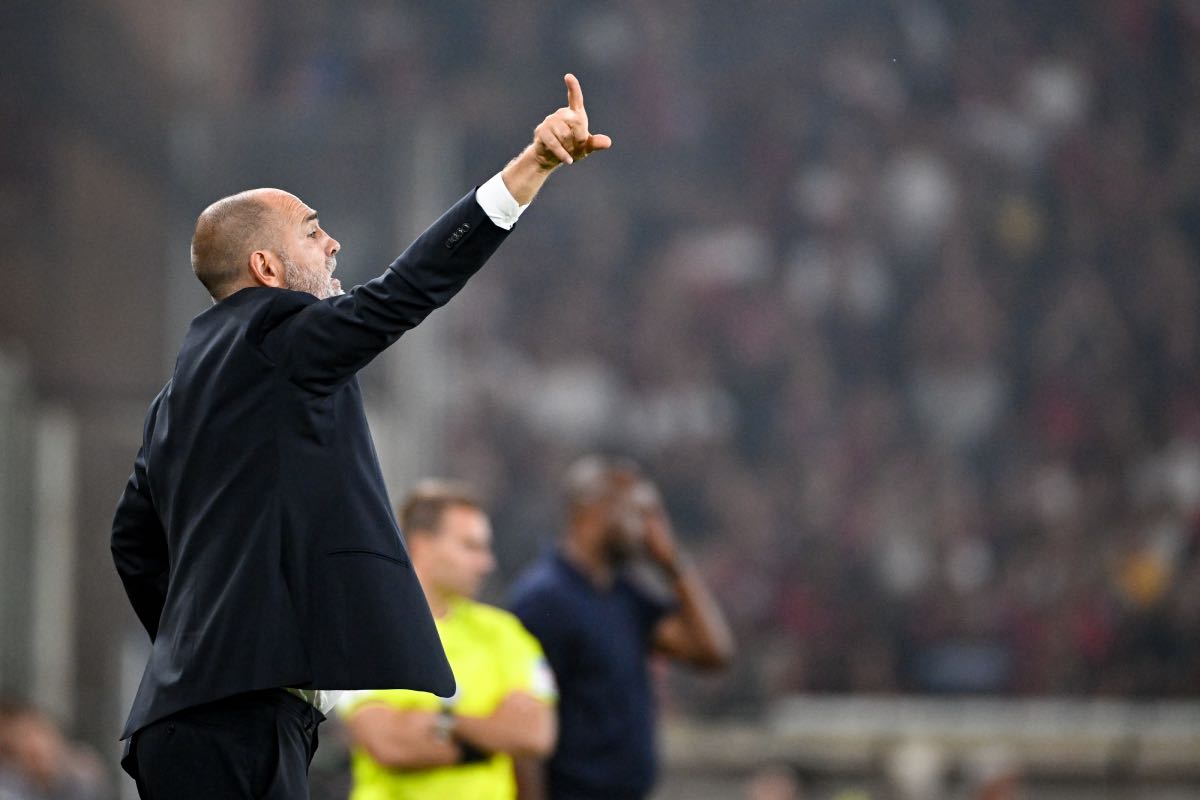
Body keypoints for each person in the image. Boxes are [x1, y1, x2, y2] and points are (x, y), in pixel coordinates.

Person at [109, 74, 609, 800]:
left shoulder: (177, 396)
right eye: (313, 231)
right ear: (265, 268)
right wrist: (528, 169)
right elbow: (405, 291)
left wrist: (200, 643)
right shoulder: (276, 334)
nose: (333, 242)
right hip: (237, 723)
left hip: (188, 715)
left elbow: (131, 541)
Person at [508, 455, 735, 800]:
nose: (650, 529)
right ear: (594, 508)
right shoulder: (545, 600)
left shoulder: (624, 595)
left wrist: (672, 561)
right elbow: (523, 722)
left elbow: (712, 652)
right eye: (639, 512)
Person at [339, 480, 557, 799]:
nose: (486, 563)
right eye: (470, 547)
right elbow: (388, 744)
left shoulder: (503, 631)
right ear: (422, 545)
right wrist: (488, 737)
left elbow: (535, 734)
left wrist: (443, 721)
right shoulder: (367, 632)